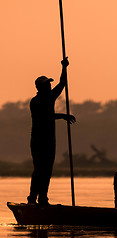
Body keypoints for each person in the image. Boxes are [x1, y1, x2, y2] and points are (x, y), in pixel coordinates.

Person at [27, 58, 76, 205]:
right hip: (38, 140)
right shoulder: (35, 102)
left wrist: (64, 67)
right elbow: (45, 117)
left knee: (47, 170)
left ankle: (43, 198)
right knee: (39, 170)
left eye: (49, 84)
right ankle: (32, 198)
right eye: (46, 85)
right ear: (39, 88)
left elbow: (62, 84)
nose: (49, 86)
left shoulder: (50, 97)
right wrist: (63, 116)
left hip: (50, 140)